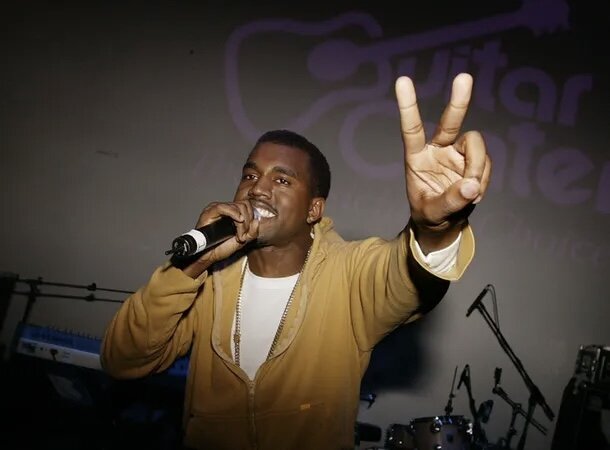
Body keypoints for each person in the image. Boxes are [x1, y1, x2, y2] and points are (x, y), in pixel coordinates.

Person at [101, 72, 492, 450]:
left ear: (313, 210)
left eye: (282, 180)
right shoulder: (208, 279)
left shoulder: (349, 274)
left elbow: (404, 277)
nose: (258, 189)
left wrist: (434, 227)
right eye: (250, 176)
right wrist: (191, 267)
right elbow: (122, 360)